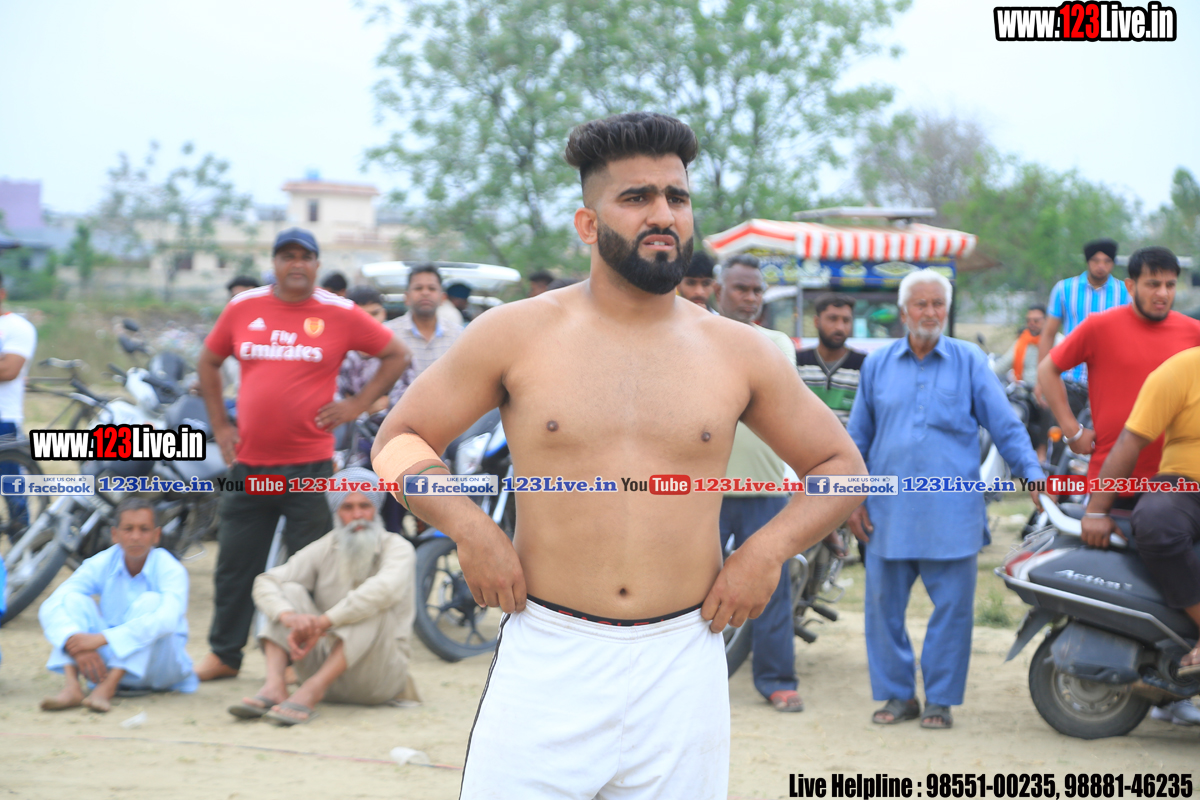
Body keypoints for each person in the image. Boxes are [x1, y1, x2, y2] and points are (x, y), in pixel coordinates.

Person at [370, 112, 865, 798]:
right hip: (548, 650)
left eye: (676, 197)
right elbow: (397, 440)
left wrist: (765, 551)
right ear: (587, 223)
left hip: (683, 658)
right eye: (636, 197)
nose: (663, 214)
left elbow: (842, 469)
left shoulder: (740, 351)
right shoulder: (514, 334)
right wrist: (470, 526)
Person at [193, 227, 411, 681]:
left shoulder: (339, 312)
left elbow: (396, 354)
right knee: (235, 565)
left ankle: (298, 660)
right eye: (287, 256)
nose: (296, 264)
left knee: (308, 571)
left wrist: (357, 404)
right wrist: (220, 425)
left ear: (316, 264)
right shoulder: (243, 307)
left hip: (310, 467)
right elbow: (208, 362)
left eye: (305, 257)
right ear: (274, 263)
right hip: (249, 465)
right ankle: (224, 655)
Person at [846, 269, 1043, 730]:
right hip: (887, 512)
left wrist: (1032, 474)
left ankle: (939, 699)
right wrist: (852, 499)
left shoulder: (968, 360)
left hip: (953, 512)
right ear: (903, 312)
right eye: (921, 303)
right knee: (882, 609)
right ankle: (898, 695)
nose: (931, 312)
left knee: (952, 611)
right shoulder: (877, 365)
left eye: (938, 304)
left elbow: (1005, 424)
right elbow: (856, 438)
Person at [227, 468, 420, 725]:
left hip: (377, 678)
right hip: (325, 668)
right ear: (336, 512)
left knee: (372, 602)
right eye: (347, 507)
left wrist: (322, 622)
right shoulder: (325, 547)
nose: (357, 515)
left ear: (376, 509)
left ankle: (312, 690)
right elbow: (266, 581)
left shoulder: (398, 548)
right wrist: (288, 617)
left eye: (364, 506)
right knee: (288, 591)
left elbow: (383, 590)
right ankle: (274, 686)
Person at [1080, 345, 1200, 724]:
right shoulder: (1180, 370)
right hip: (1186, 484)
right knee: (1156, 521)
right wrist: (1096, 510)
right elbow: (1130, 442)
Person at [713, 253, 806, 712]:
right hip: (703, 494)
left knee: (772, 587)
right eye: (741, 289)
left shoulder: (776, 343)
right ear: (718, 291)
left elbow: (769, 398)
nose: (750, 298)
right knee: (690, 588)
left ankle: (777, 680)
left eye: (756, 291)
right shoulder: (688, 335)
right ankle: (690, 681)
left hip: (766, 489)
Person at [1037, 246, 1200, 507]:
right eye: (1153, 284)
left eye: (1170, 285)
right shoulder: (1099, 326)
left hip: (1178, 483)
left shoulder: (1194, 333)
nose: (1163, 293)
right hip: (1111, 482)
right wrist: (1072, 431)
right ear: (1131, 286)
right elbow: (1047, 369)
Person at [38, 497, 198, 712]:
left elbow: (167, 620)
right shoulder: (103, 562)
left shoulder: (170, 568)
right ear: (115, 534)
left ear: (156, 535)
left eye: (144, 529)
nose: (135, 537)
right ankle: (72, 687)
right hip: (105, 663)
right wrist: (75, 642)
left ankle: (108, 687)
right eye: (128, 529)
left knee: (151, 602)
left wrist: (101, 639)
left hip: (160, 668)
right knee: (72, 600)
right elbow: (53, 603)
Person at [1035, 238, 1129, 406]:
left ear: (1113, 263)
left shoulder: (1125, 292)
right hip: (1069, 378)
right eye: (1096, 261)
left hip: (1109, 381)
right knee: (1063, 423)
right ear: (1087, 262)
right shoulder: (1064, 289)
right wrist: (1041, 379)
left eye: (1107, 261)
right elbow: (1048, 334)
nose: (1101, 266)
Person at [0, 273, 36, 536]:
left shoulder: (18, 328)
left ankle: (24, 547)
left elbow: (9, 370)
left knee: (12, 491)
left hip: (4, 420)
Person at [994, 304, 1053, 462]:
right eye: (1029, 320)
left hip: (1047, 394)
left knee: (1049, 410)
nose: (1031, 324)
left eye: (1036, 320)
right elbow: (1001, 365)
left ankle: (1042, 452)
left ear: (1046, 321)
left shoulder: (1057, 341)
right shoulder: (1022, 341)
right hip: (1023, 393)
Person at [796, 293, 865, 427]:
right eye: (833, 319)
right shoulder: (797, 363)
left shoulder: (864, 365)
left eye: (846, 320)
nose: (840, 327)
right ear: (816, 321)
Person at [385, 264, 462, 378]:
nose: (425, 293)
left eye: (432, 288)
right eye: (418, 288)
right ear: (407, 297)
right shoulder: (389, 334)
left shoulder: (459, 336)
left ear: (443, 298)